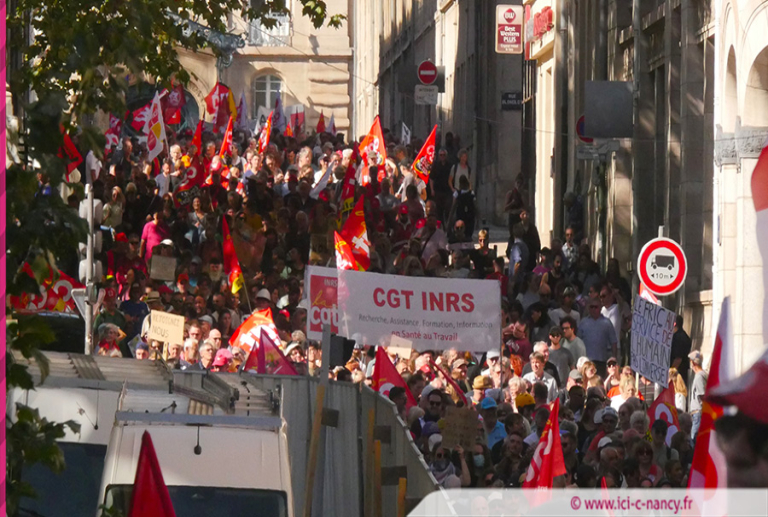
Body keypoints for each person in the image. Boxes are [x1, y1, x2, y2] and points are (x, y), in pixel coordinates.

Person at [577, 298, 618, 377]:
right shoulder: (583, 322)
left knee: (599, 382)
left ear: (600, 308)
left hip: (601, 360)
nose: (593, 309)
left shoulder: (607, 323)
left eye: (595, 307)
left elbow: (613, 341)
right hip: (586, 361)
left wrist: (614, 358)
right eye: (591, 307)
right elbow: (578, 341)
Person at [688, 350, 707, 438]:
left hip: (698, 413)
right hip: (699, 413)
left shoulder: (699, 376)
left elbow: (702, 395)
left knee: (694, 439)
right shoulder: (702, 375)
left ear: (693, 363)